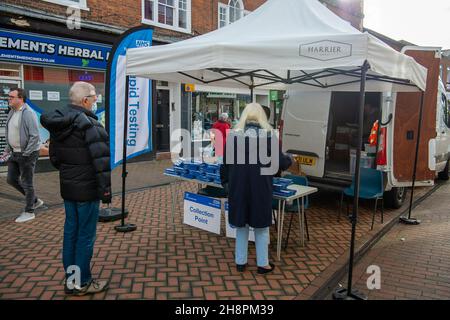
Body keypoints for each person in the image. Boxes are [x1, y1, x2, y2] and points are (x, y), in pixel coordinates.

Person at [40, 81, 111, 296]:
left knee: (70, 233)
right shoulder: (91, 125)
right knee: (85, 236)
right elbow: (101, 163)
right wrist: (105, 192)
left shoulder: (58, 124)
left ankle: (71, 280)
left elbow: (54, 158)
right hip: (87, 191)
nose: (96, 101)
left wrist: (70, 172)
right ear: (85, 100)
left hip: (69, 189)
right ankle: (82, 282)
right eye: (94, 97)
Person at [220, 103, 292, 274]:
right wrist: (290, 159)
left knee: (241, 227)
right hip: (260, 188)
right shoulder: (268, 136)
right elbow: (281, 163)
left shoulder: (234, 136)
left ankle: (240, 262)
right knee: (261, 228)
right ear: (262, 117)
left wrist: (226, 184)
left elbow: (225, 165)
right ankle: (262, 264)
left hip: (238, 187)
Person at [5, 88, 43, 223]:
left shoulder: (28, 113)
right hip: (14, 153)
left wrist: (26, 153)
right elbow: (10, 132)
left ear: (20, 99)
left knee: (27, 183)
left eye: (11, 97)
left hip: (27, 154)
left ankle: (29, 211)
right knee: (11, 179)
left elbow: (34, 136)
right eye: (9, 96)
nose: (9, 98)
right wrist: (7, 149)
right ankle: (34, 200)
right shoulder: (12, 112)